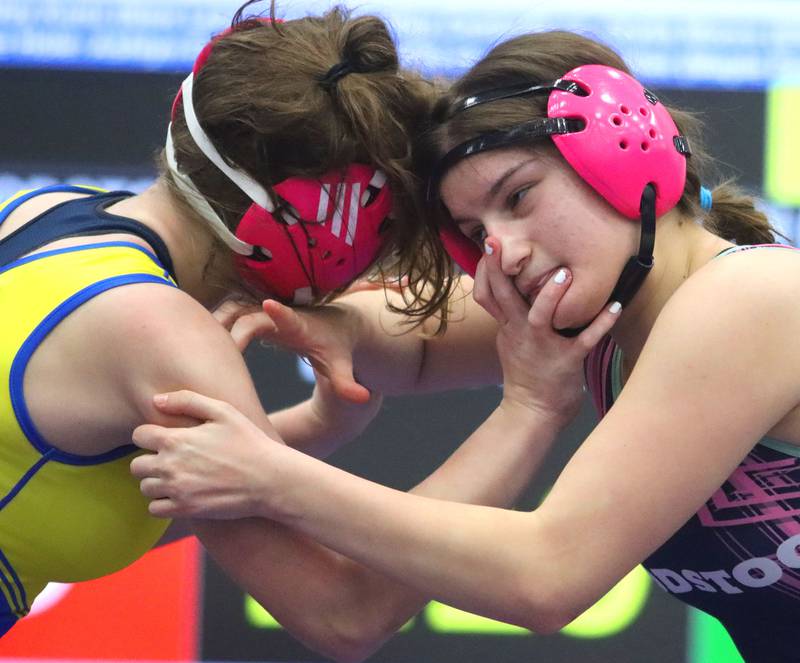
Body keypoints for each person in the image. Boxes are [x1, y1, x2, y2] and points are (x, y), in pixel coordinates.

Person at [131, 29, 800, 662]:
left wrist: (271, 477)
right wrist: (336, 325)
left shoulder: (748, 300)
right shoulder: (607, 314)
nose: (503, 251)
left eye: (519, 196)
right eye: (476, 234)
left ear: (628, 149)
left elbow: (548, 573)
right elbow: (419, 344)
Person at [0, 3, 624, 657]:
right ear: (325, 217)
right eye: (386, 225)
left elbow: (128, 484)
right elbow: (345, 612)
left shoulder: (49, 212)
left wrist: (317, 427)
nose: (380, 252)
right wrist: (529, 409)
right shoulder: (164, 335)